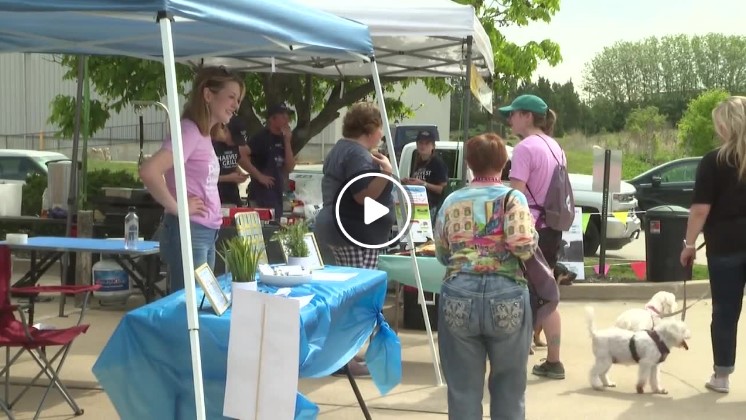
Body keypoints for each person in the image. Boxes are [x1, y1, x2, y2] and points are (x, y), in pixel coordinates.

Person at [433, 133, 538, 419]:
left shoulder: (452, 200)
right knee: (509, 387)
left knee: (462, 388)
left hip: (458, 293)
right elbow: (523, 246)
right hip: (507, 293)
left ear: (469, 163)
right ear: (504, 163)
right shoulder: (513, 198)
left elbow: (442, 253)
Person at [140, 67, 244, 293]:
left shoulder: (203, 133)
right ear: (208, 95)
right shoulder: (189, 131)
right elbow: (149, 171)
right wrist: (178, 208)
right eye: (231, 97)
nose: (236, 105)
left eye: (238, 99)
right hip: (191, 230)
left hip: (205, 231)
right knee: (190, 307)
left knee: (200, 304)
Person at [314, 102, 395, 376]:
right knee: (357, 297)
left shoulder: (341, 149)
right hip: (354, 233)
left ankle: (344, 355)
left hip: (340, 230)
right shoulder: (357, 155)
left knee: (349, 294)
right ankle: (343, 358)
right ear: (370, 130)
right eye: (380, 129)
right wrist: (386, 175)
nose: (382, 135)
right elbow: (363, 195)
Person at [680, 95, 746, 394]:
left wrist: (689, 243)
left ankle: (721, 376)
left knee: (725, 312)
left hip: (726, 245)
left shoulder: (714, 161)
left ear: (725, 125)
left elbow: (700, 210)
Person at [500, 93, 566, 379]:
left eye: (513, 114)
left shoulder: (525, 148)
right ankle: (554, 360)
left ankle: (515, 358)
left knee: (522, 293)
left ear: (527, 116)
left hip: (530, 229)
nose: (509, 119)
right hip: (551, 228)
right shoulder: (555, 146)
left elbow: (515, 195)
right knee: (546, 293)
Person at [244, 102, 296, 220]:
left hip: (276, 194)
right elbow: (241, 154)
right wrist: (259, 176)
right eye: (282, 115)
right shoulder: (261, 138)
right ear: (272, 119)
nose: (287, 118)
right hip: (260, 195)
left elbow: (290, 167)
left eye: (287, 115)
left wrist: (287, 142)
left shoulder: (284, 139)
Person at [402, 129, 449, 224]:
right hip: (417, 206)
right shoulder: (417, 162)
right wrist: (408, 182)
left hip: (432, 208)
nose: (423, 146)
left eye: (427, 143)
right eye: (420, 143)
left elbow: (443, 189)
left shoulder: (437, 163)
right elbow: (417, 182)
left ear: (433, 146)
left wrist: (423, 184)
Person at [212, 121, 249, 207]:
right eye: (234, 139)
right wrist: (228, 178)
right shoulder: (213, 145)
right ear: (226, 130)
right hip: (217, 195)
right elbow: (205, 177)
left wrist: (239, 173)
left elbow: (232, 162)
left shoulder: (234, 145)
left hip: (233, 195)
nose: (234, 143)